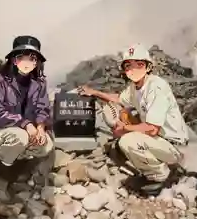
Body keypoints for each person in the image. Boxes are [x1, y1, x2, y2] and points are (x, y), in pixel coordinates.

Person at [78, 43, 189, 194]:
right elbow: (119, 99)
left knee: (127, 141)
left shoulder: (156, 87)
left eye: (139, 64)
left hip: (174, 145)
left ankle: (160, 175)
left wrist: (125, 129)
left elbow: (152, 128)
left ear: (148, 67)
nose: (133, 69)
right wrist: (94, 92)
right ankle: (150, 159)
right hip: (158, 140)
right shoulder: (134, 86)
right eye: (128, 65)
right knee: (112, 110)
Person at [0, 35, 53, 166]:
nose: (27, 63)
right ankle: (1, 164)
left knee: (46, 146)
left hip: (27, 130)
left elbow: (43, 108)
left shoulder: (39, 83)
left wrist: (41, 128)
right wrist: (26, 124)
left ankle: (17, 158)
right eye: (21, 58)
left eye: (32, 59)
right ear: (14, 60)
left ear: (36, 62)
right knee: (20, 138)